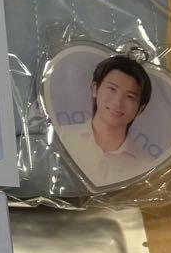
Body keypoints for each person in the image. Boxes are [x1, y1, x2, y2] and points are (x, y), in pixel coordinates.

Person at [56, 55, 153, 187]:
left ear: (140, 109)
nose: (118, 102)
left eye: (130, 96)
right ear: (95, 89)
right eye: (112, 89)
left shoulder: (146, 165)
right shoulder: (60, 138)